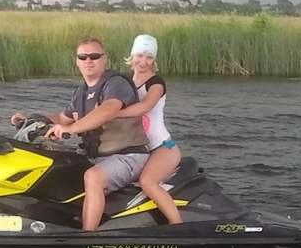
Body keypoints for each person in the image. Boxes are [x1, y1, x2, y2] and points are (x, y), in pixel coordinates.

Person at [10, 37, 148, 231]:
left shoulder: (116, 83)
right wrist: (31, 118)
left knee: (93, 177)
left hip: (128, 155)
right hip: (95, 156)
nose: (88, 61)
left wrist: (72, 129)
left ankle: (86, 236)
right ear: (77, 61)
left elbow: (108, 110)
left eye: (94, 56)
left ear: (104, 59)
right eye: (83, 57)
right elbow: (62, 118)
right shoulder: (81, 92)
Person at [116, 34, 183, 224]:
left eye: (149, 57)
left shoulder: (156, 83)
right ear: (132, 56)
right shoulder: (125, 83)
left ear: (154, 60)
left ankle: (178, 227)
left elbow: (144, 107)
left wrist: (112, 114)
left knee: (147, 182)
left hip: (162, 148)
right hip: (136, 148)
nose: (143, 62)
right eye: (140, 55)